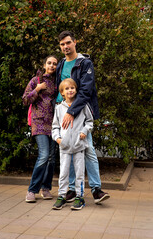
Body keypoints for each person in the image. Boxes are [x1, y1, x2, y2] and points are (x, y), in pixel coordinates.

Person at [56, 31, 110, 204]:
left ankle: (96, 189)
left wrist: (73, 112)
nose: (66, 46)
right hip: (64, 112)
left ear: (75, 42)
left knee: (88, 150)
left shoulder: (84, 63)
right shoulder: (61, 64)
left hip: (80, 112)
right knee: (69, 152)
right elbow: (59, 89)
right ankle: (72, 189)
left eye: (68, 43)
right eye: (62, 44)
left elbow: (86, 90)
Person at [52, 78, 93, 210]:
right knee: (63, 173)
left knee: (79, 173)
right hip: (64, 147)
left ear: (76, 90)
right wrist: (58, 139)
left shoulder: (82, 105)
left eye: (72, 88)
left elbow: (89, 122)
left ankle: (79, 197)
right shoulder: (59, 108)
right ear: (62, 93)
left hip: (79, 146)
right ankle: (61, 196)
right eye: (67, 89)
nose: (70, 90)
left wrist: (84, 131)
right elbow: (55, 127)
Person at [22, 55, 58, 203]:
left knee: (51, 159)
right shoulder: (36, 81)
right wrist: (37, 89)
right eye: (49, 63)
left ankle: (46, 188)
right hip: (39, 123)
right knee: (44, 155)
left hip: (54, 124)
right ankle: (32, 190)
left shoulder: (57, 82)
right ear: (44, 65)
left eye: (55, 64)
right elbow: (25, 100)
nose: (52, 65)